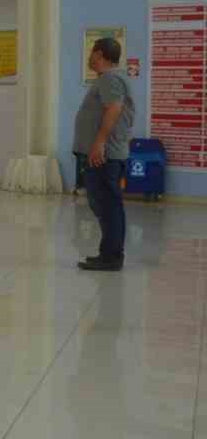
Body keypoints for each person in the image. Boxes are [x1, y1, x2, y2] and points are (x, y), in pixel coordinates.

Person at [74, 36, 135, 272]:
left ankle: (111, 258)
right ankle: (107, 254)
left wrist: (98, 143)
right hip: (103, 155)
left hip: (105, 155)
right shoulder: (108, 79)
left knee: (108, 206)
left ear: (99, 54)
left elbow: (114, 109)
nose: (90, 57)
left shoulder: (110, 78)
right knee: (104, 204)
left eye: (92, 52)